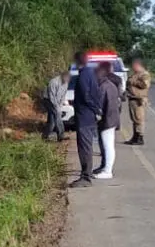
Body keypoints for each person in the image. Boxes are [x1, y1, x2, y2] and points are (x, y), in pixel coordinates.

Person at [70, 51, 102, 187]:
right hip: (89, 116)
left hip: (84, 116)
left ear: (77, 62)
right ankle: (87, 174)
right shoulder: (91, 73)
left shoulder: (83, 75)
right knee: (87, 145)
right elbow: (96, 93)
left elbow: (85, 95)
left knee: (84, 146)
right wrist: (97, 109)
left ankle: (86, 177)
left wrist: (94, 109)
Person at [94, 61, 122, 179]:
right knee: (107, 145)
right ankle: (105, 167)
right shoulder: (110, 85)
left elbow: (100, 104)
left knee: (108, 145)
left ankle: (107, 171)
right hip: (112, 118)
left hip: (108, 120)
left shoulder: (104, 86)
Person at [125, 58, 152, 145]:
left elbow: (145, 85)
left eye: (134, 65)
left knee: (139, 118)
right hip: (132, 98)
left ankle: (140, 137)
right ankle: (135, 136)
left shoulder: (144, 75)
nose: (133, 67)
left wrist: (133, 82)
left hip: (139, 99)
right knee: (134, 119)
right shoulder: (136, 74)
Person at [42, 68, 68, 141]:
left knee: (52, 120)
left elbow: (63, 95)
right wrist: (56, 107)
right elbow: (51, 96)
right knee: (57, 115)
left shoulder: (65, 83)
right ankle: (61, 135)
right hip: (48, 100)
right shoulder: (54, 82)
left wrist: (60, 105)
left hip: (56, 101)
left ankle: (45, 136)